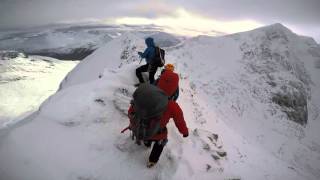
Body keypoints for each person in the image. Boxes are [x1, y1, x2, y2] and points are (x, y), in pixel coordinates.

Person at [127, 84, 188, 168]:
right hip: (158, 133)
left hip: (140, 129)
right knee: (161, 142)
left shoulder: (142, 99)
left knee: (148, 134)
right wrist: (184, 132)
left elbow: (131, 112)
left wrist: (134, 124)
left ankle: (146, 142)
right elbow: (179, 121)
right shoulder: (172, 106)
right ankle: (152, 160)